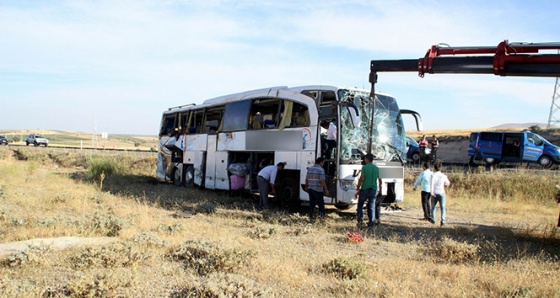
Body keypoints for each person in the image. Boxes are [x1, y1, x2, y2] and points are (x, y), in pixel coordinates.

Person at [354, 153, 381, 228]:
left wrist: (358, 188)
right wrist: (380, 189)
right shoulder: (376, 168)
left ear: (367, 159)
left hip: (364, 189)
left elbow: (361, 179)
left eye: (365, 159)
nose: (364, 160)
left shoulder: (365, 168)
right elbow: (380, 180)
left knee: (360, 205)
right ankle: (371, 223)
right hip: (373, 190)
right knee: (372, 206)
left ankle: (360, 221)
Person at [305, 157, 329, 222]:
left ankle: (311, 218)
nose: (323, 164)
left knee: (312, 204)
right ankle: (322, 219)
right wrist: (326, 190)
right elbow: (322, 181)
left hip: (310, 189)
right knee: (321, 205)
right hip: (318, 189)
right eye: (323, 162)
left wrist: (306, 187)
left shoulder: (310, 169)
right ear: (321, 162)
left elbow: (307, 179)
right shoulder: (321, 170)